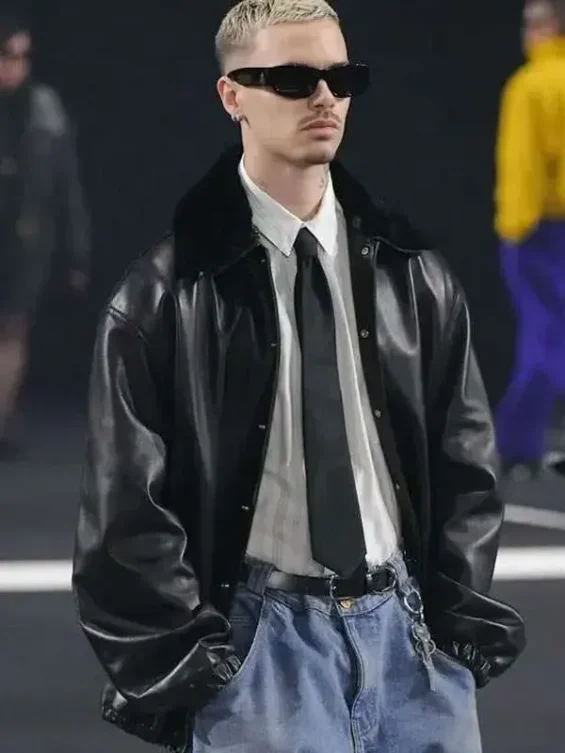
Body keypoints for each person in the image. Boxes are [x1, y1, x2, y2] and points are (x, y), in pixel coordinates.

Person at [72, 1, 526, 751]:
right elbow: (124, 511)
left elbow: (466, 464)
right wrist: (199, 661)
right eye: (292, 79)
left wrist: (453, 622)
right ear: (232, 96)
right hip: (260, 653)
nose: (324, 98)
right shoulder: (163, 297)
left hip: (413, 644)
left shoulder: (413, 275)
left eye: (341, 78)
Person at [0, 14, 89, 456]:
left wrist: (77, 253)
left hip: (24, 242)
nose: (14, 65)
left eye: (22, 56)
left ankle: (2, 418)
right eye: (6, 54)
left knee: (12, 330)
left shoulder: (44, 109)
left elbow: (65, 185)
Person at [495, 0, 565, 477]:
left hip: (540, 230)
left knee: (543, 337)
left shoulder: (530, 85)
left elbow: (523, 164)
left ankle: (518, 447)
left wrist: (516, 228)